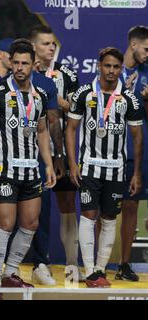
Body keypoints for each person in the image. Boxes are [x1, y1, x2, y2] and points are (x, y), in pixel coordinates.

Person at [0, 42, 56, 290]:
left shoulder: (39, 96)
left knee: (30, 224)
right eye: (15, 62)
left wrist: (48, 165)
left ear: (33, 65)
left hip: (31, 170)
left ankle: (11, 272)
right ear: (10, 63)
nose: (19, 68)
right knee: (5, 224)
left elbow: (41, 131)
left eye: (24, 63)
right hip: (4, 170)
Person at [66, 47, 144, 288]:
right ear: (99, 66)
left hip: (117, 169)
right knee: (89, 216)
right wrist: (72, 163)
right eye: (107, 66)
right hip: (89, 166)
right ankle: (89, 270)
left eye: (116, 67)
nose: (111, 71)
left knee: (110, 218)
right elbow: (70, 129)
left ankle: (100, 270)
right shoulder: (84, 93)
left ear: (121, 69)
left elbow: (138, 136)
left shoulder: (128, 98)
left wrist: (137, 172)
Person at [29, 25, 80, 285]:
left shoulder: (66, 73)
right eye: (46, 43)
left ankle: (72, 265)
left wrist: (59, 101)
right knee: (33, 210)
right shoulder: (24, 71)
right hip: (31, 152)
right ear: (34, 45)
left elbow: (77, 108)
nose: (51, 48)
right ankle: (36, 263)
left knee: (67, 203)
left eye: (53, 44)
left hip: (59, 150)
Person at [118, 25, 148, 281]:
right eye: (147, 48)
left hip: (144, 150)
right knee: (121, 208)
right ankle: (111, 264)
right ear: (134, 45)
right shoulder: (113, 70)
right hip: (120, 151)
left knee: (134, 206)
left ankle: (127, 264)